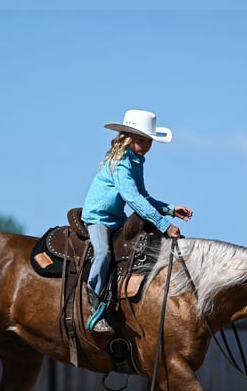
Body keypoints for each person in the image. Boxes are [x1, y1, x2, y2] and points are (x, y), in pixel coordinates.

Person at [81, 109, 194, 333]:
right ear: (129, 138)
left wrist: (170, 209)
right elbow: (132, 199)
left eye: (149, 140)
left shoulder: (136, 161)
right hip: (98, 218)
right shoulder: (121, 163)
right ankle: (91, 303)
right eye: (141, 139)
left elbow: (143, 196)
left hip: (116, 219)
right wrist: (164, 224)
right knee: (103, 253)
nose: (147, 144)